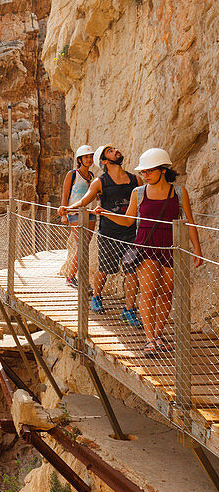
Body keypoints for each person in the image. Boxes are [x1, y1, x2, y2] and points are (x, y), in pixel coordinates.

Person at [94, 147, 203, 357]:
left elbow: (189, 222)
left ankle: (158, 335)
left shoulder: (179, 192)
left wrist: (197, 249)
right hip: (146, 247)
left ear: (163, 169)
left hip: (171, 248)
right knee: (149, 292)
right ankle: (150, 339)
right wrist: (107, 213)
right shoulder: (139, 192)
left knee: (166, 293)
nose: (144, 175)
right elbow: (128, 220)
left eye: (149, 171)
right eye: (143, 172)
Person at [59, 144, 141, 325]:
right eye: (110, 151)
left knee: (132, 272)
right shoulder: (100, 182)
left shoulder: (136, 180)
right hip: (108, 234)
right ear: (104, 161)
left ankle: (128, 309)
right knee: (104, 269)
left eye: (115, 149)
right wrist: (67, 209)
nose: (116, 151)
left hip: (131, 234)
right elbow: (84, 200)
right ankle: (97, 295)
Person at [59, 145, 96, 286]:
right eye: (86, 157)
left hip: (89, 213)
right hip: (74, 213)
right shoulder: (72, 174)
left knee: (85, 246)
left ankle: (78, 278)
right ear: (79, 159)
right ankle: (70, 276)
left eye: (90, 157)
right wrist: (64, 214)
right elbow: (65, 194)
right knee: (82, 246)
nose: (89, 159)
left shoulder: (91, 176)